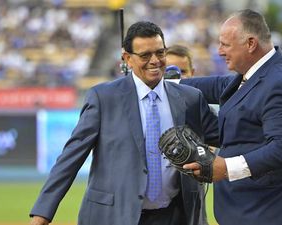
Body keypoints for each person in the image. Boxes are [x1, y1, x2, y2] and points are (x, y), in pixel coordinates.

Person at [29, 21, 219, 225]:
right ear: (127, 58)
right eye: (145, 55)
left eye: (160, 53)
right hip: (116, 217)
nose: (155, 61)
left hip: (174, 216)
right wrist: (42, 214)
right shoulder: (103, 98)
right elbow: (70, 158)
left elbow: (226, 135)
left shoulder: (190, 98)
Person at [182, 9, 282, 225]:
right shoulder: (263, 70)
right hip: (253, 210)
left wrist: (226, 169)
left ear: (251, 43)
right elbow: (220, 86)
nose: (219, 51)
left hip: (268, 212)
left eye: (225, 44)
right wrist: (165, 86)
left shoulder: (279, 82)